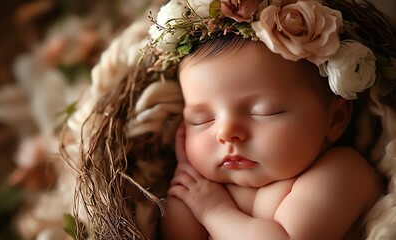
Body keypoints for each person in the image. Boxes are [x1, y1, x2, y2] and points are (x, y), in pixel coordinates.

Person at [140, 0, 394, 239]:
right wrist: (185, 181)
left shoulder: (342, 172)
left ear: (335, 118)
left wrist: (212, 212)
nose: (226, 132)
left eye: (265, 112)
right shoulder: (210, 190)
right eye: (202, 119)